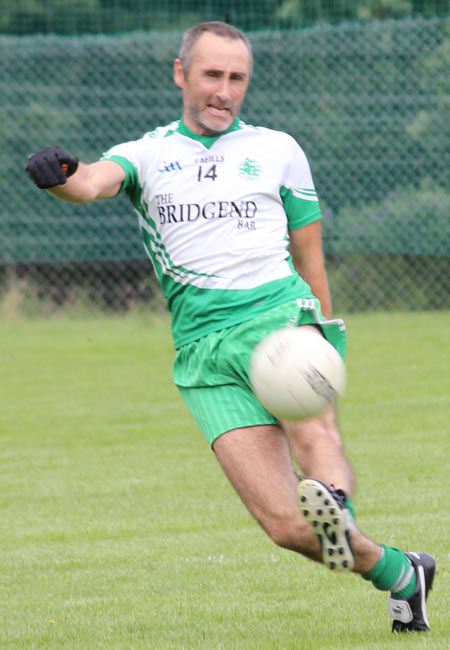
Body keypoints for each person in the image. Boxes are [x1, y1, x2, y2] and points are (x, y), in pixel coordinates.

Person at [25, 21, 435, 633]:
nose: (224, 91)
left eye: (237, 78)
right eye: (212, 75)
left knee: (314, 432)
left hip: (279, 314)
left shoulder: (278, 149)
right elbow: (89, 183)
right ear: (181, 73)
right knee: (288, 529)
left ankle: (336, 502)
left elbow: (310, 254)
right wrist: (58, 174)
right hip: (202, 350)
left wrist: (320, 329)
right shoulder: (146, 154)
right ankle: (403, 572)